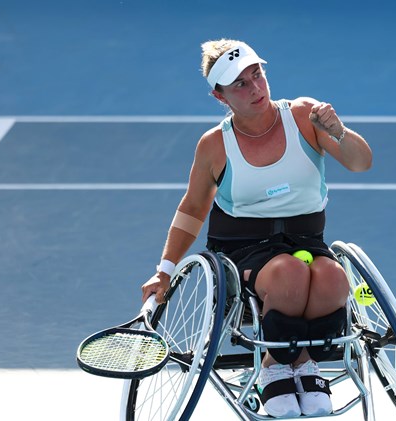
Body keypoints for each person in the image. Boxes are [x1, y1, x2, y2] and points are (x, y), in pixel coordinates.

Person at [140, 39, 372, 417]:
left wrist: (339, 131)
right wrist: (164, 270)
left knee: (333, 278)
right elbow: (193, 208)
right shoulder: (215, 145)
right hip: (244, 250)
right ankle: (273, 370)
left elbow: (361, 163)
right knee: (287, 273)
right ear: (220, 97)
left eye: (257, 75)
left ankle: (306, 364)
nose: (256, 88)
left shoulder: (304, 116)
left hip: (306, 241)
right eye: (241, 85)